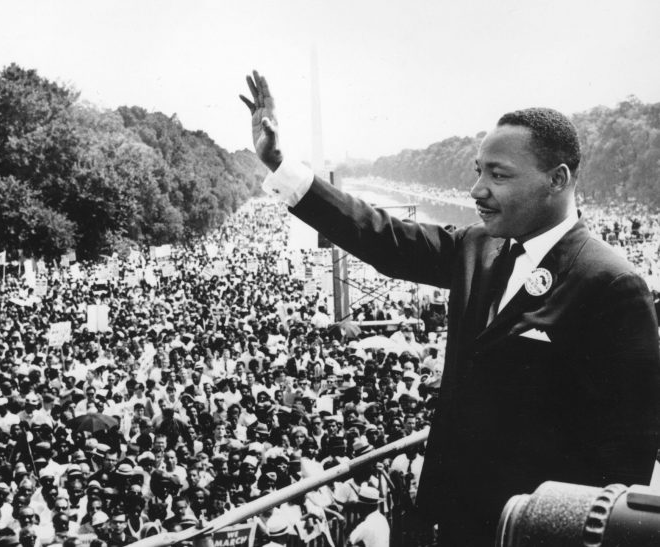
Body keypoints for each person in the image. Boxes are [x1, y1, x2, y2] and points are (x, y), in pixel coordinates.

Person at [241, 71, 660, 546]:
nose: (477, 190)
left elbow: (623, 463)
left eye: (498, 175)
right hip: (447, 521)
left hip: (526, 531)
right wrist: (280, 163)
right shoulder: (477, 247)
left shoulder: (611, 284)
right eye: (477, 171)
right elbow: (381, 236)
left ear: (556, 180)